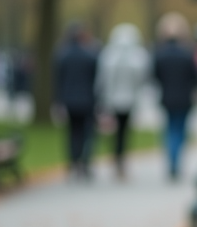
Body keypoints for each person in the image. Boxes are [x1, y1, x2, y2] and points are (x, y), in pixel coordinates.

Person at [96, 23, 151, 179]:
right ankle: (120, 159)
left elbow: (104, 80)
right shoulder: (138, 56)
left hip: (116, 100)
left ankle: (118, 159)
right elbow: (141, 80)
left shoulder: (109, 55)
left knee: (118, 132)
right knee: (123, 131)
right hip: (127, 101)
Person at [153, 12, 197, 181]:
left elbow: (155, 76)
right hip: (185, 98)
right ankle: (176, 162)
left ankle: (171, 162)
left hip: (167, 98)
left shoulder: (160, 54)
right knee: (180, 130)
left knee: (169, 129)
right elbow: (196, 77)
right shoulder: (187, 54)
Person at [53, 22, 99, 180]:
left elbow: (58, 80)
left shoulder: (62, 55)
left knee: (73, 132)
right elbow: (95, 79)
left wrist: (58, 101)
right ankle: (85, 163)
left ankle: (73, 162)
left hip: (70, 101)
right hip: (87, 100)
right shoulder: (90, 55)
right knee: (87, 133)